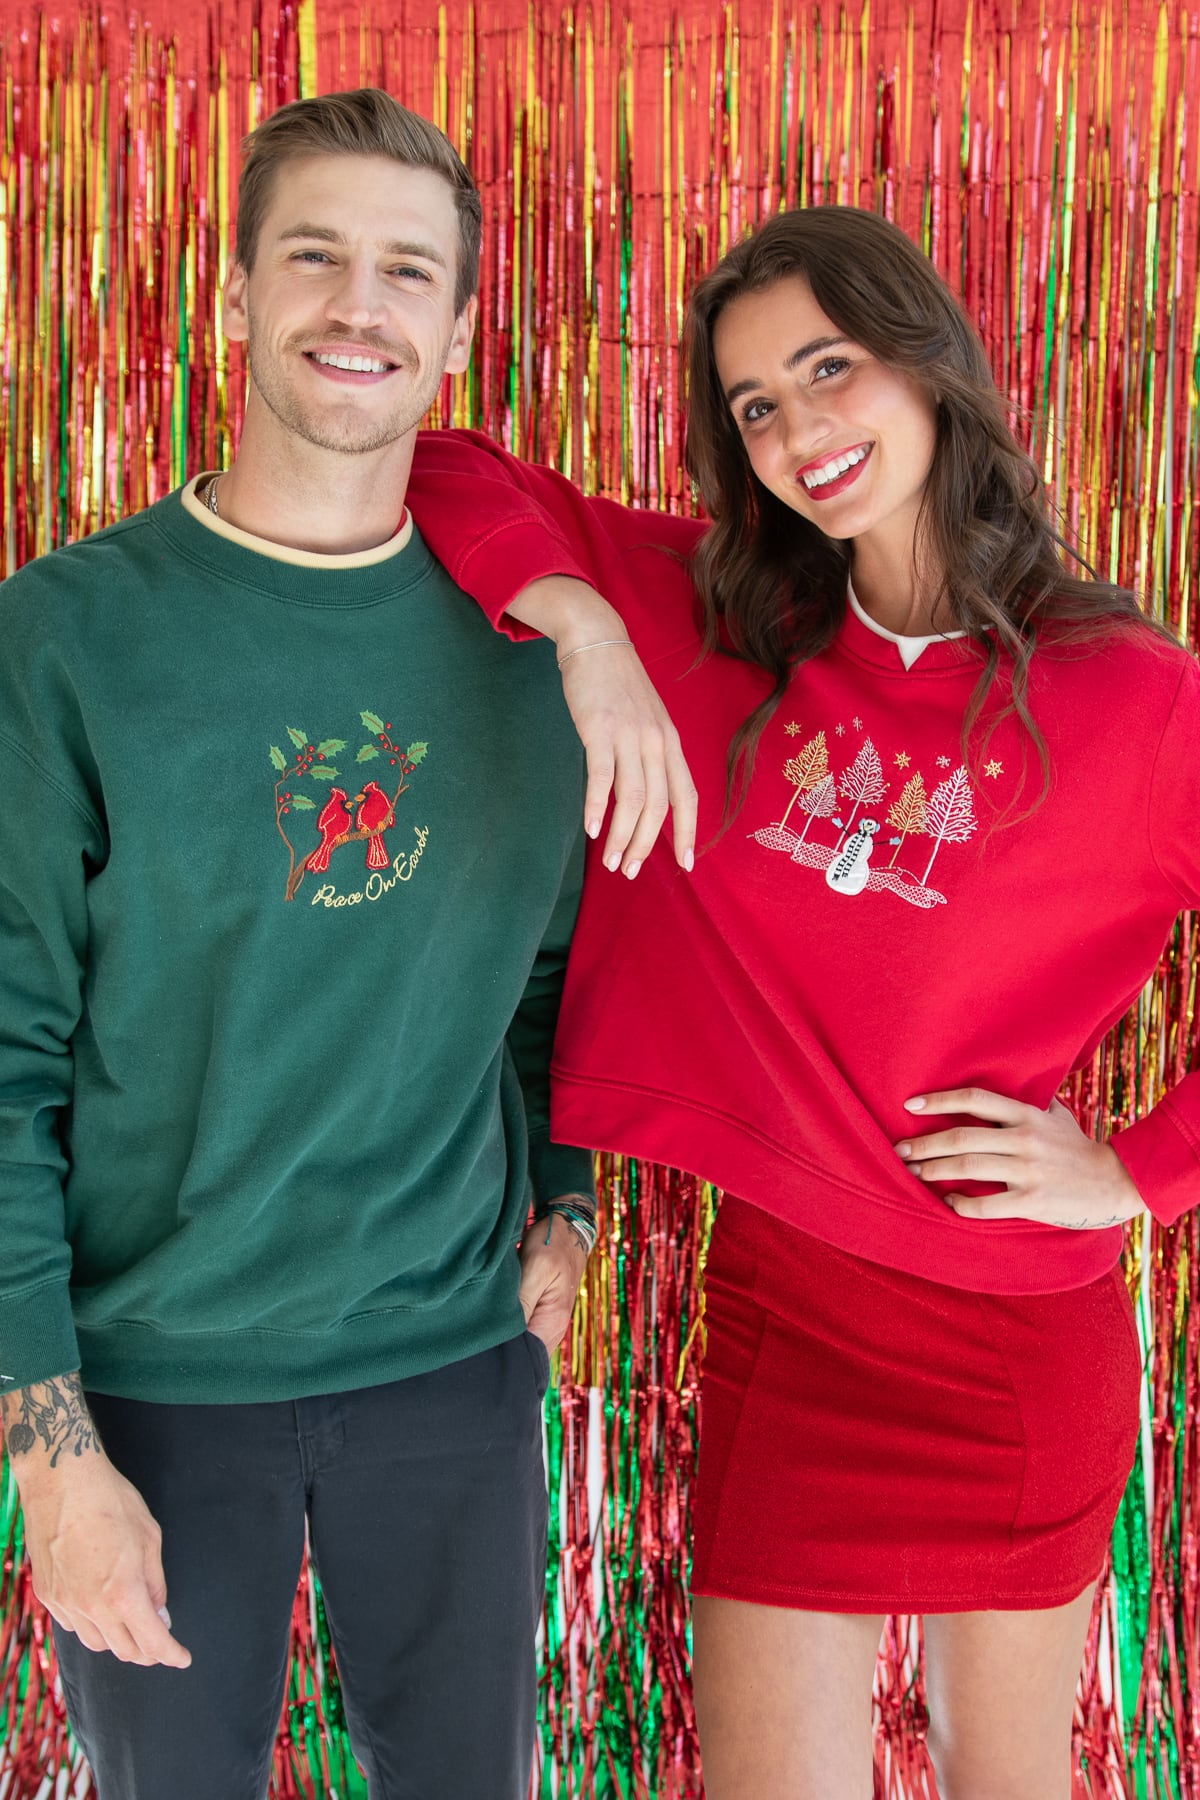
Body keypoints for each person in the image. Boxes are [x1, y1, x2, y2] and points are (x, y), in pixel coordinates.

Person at [403, 206, 1200, 1800]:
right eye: (757, 404)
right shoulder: (716, 618)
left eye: (829, 369)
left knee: (1009, 1781)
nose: (799, 429)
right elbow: (443, 469)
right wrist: (580, 631)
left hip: (1014, 1332)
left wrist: (1135, 1169)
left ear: (928, 363)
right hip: (786, 1317)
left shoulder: (1136, 693)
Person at [0, 86, 695, 1800]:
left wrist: (572, 1200)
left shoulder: (535, 657)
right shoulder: (67, 638)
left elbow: (549, 982)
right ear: (234, 293)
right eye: (312, 256)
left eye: (406, 272)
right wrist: (47, 1453)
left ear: (458, 330)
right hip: (155, 1395)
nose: (356, 307)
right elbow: (4, 1061)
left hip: (450, 1379)